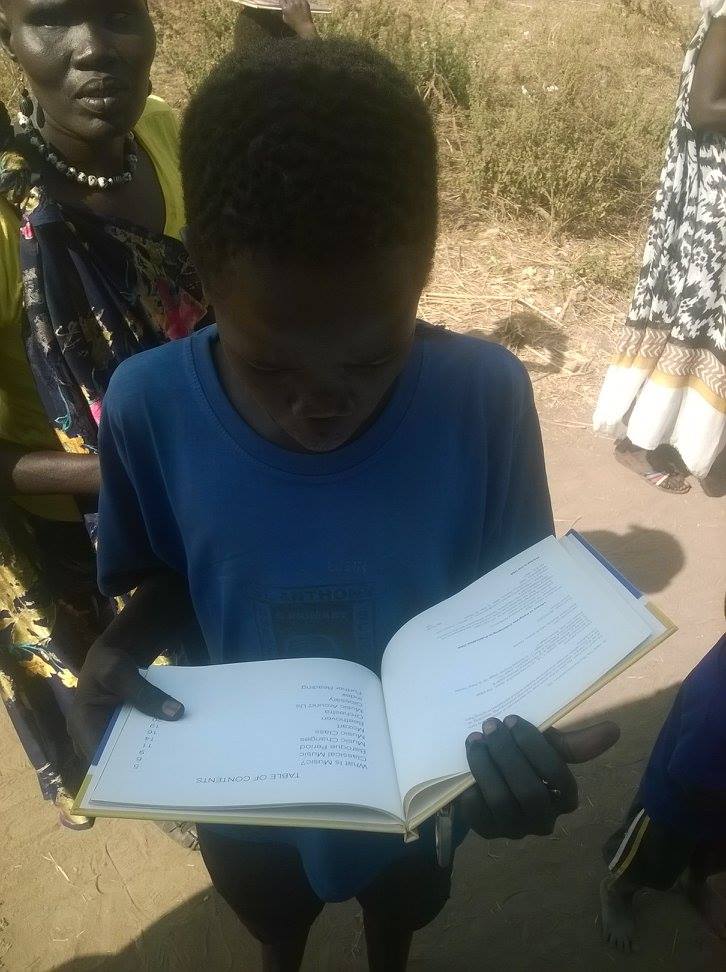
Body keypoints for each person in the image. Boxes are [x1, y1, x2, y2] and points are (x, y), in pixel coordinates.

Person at [68, 38, 619, 971]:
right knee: (272, 923)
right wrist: (116, 651)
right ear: (204, 266)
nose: (318, 403)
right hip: (249, 796)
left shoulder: (483, 396)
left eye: (371, 361)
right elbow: (166, 571)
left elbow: (508, 610)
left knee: (401, 914)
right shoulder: (149, 404)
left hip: (426, 790)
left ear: (423, 275)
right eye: (268, 363)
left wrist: (519, 747)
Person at [592, 0, 726, 495]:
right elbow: (704, 107)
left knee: (706, 320)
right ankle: (637, 442)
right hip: (712, 204)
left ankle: (690, 440)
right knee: (689, 313)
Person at [600, 617, 726, 953]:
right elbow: (691, 777)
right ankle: (618, 893)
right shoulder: (714, 711)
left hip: (716, 806)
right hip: (676, 805)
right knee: (650, 861)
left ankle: (695, 883)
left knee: (712, 854)